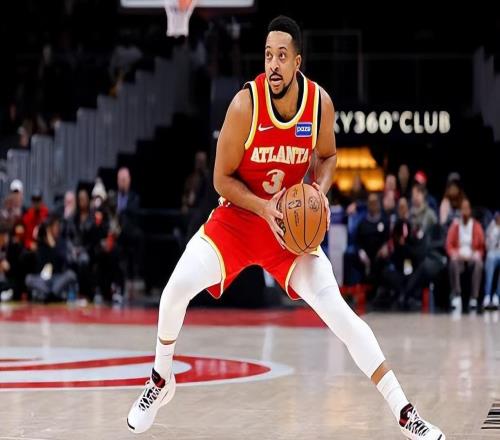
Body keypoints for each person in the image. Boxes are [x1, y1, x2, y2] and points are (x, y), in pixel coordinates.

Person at [127, 16, 445, 439]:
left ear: (298, 61)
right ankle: (160, 380)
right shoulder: (245, 106)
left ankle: (406, 414)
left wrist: (319, 192)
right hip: (240, 219)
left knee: (341, 316)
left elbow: (327, 157)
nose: (273, 65)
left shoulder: (319, 104)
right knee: (174, 291)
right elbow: (220, 179)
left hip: (291, 231)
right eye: (267, 56)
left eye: (281, 56)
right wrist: (264, 207)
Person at [446, 198, 485, 311]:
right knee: (453, 262)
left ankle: (474, 298)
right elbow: (449, 245)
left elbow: (482, 247)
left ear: (470, 210)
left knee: (479, 264)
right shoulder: (455, 225)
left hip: (472, 257)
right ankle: (456, 295)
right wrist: (455, 253)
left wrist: (476, 254)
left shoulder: (476, 226)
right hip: (459, 257)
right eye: (463, 209)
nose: (465, 211)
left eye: (467, 208)